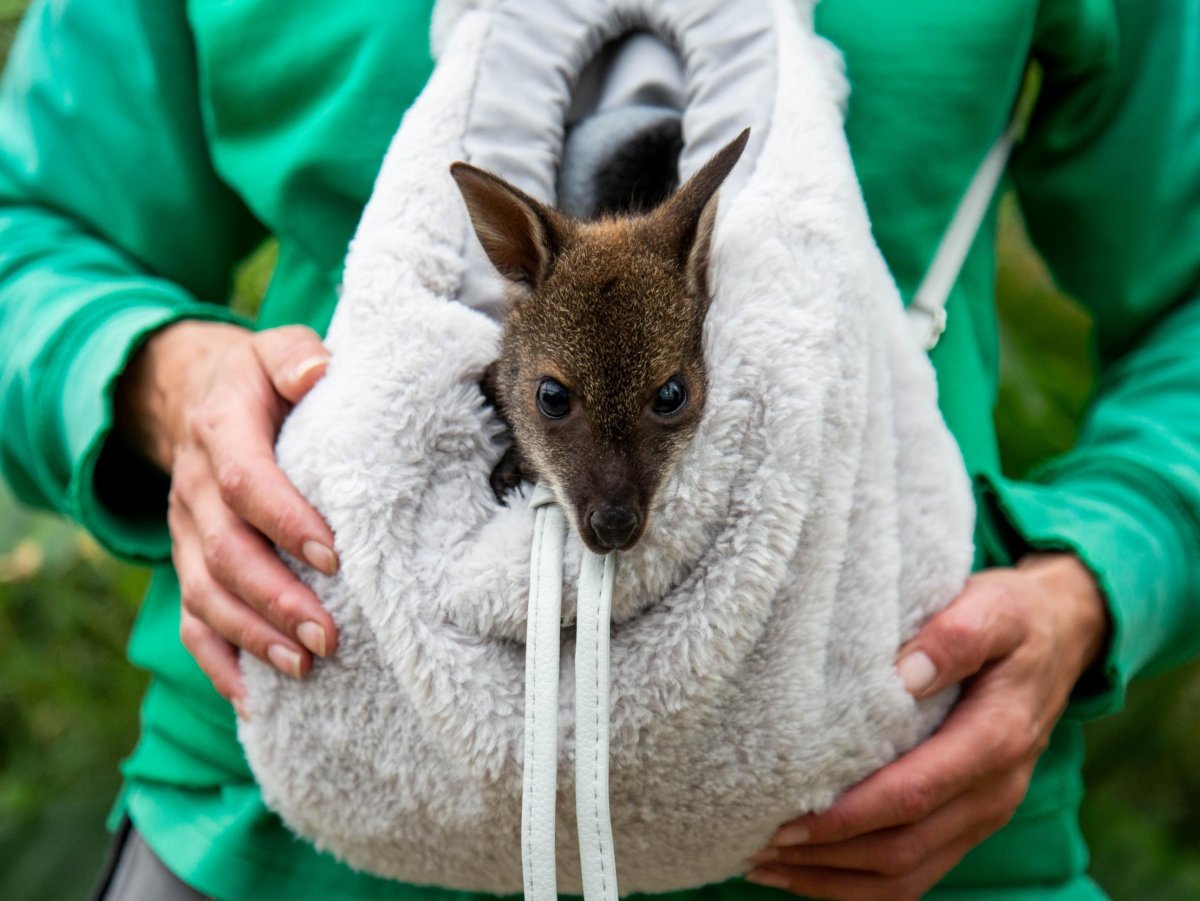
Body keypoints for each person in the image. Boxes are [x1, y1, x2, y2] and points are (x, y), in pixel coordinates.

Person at [0, 0, 1196, 898]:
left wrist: (1090, 580)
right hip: (291, 811)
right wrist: (170, 385)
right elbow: (30, 235)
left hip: (890, 828)